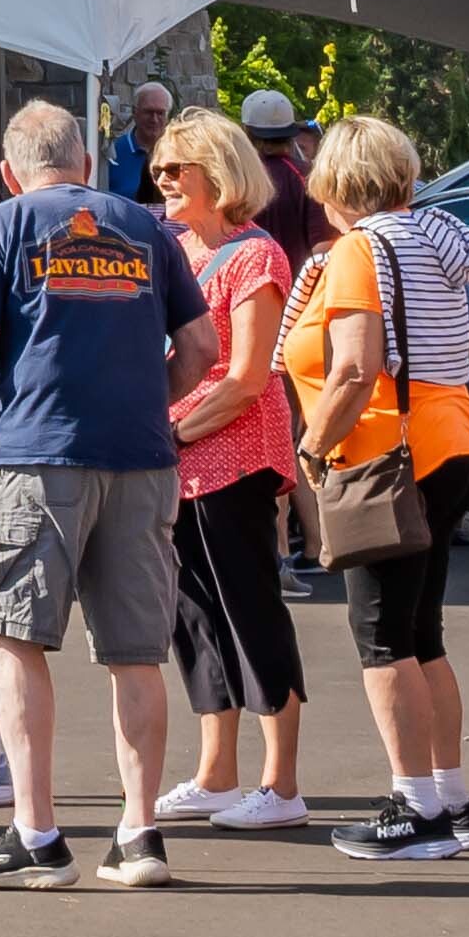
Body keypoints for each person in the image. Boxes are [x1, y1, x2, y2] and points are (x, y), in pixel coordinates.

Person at [0, 95, 194, 887]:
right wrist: (155, 406)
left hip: (40, 455)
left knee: (11, 637)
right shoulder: (147, 227)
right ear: (82, 161)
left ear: (11, 172)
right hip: (141, 458)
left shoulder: (3, 225)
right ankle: (139, 833)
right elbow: (202, 344)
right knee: (135, 650)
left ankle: (37, 834)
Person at [280, 121, 469, 858]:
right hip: (450, 437)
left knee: (380, 638)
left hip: (385, 451)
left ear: (334, 182)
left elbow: (352, 366)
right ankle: (449, 795)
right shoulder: (429, 238)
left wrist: (310, 448)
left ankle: (415, 806)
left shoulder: (356, 250)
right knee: (418, 633)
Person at [144, 113, 316, 836]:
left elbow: (248, 376)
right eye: (156, 170)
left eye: (172, 170)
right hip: (179, 459)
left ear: (215, 172)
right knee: (192, 619)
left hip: (232, 456)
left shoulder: (256, 255)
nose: (160, 182)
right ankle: (216, 772)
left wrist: (173, 430)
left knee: (249, 611)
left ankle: (281, 783)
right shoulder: (174, 247)